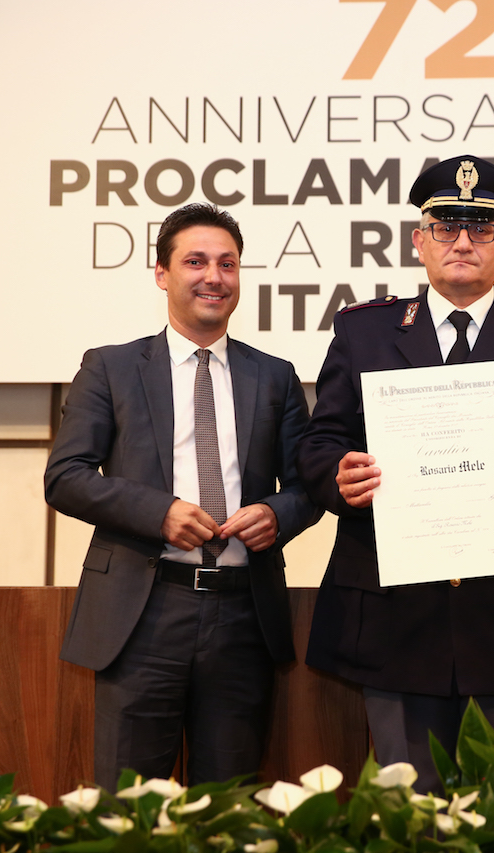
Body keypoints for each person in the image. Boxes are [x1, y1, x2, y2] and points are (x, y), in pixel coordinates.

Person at [300, 155, 494, 794]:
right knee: (407, 817)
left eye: (481, 227)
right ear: (419, 241)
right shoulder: (364, 331)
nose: (463, 242)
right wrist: (339, 473)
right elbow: (319, 443)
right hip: (392, 620)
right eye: (445, 227)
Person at [45, 202, 321, 789]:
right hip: (142, 614)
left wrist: (277, 513)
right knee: (129, 806)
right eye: (195, 262)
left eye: (228, 264)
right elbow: (65, 476)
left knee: (229, 804)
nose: (213, 277)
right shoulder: (111, 368)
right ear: (161, 273)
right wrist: (159, 513)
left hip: (243, 616)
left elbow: (309, 485)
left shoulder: (274, 376)